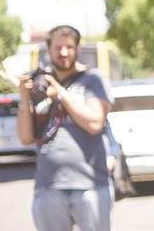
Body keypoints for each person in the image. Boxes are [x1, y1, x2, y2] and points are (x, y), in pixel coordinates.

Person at [13, 24, 114, 231]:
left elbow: (95, 123)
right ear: (48, 49)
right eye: (58, 47)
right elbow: (25, 137)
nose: (64, 52)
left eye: (69, 47)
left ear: (78, 48)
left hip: (90, 185)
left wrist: (60, 94)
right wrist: (24, 96)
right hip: (48, 186)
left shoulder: (93, 79)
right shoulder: (41, 84)